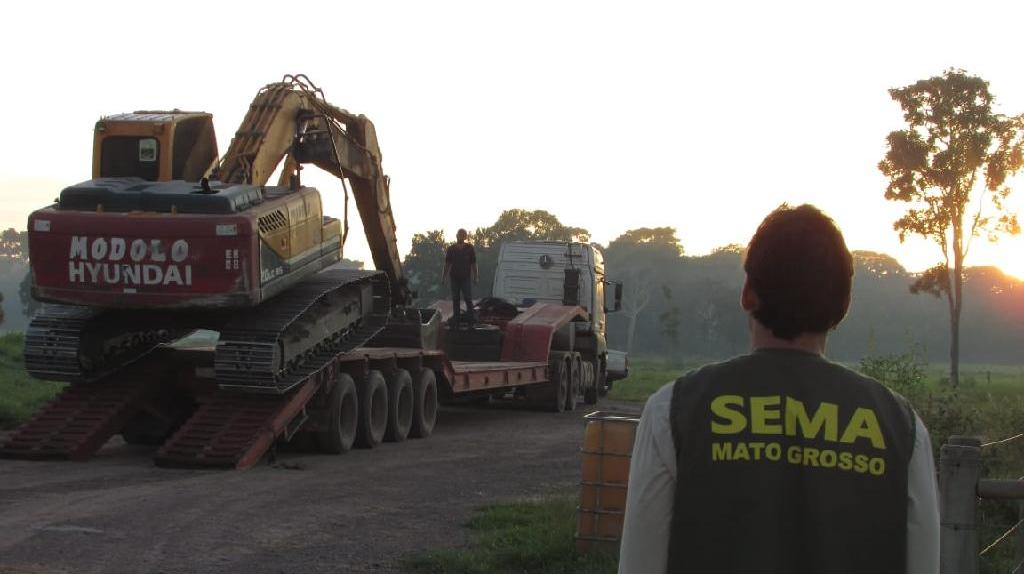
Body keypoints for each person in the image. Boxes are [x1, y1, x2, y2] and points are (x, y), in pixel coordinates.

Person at [618, 204, 940, 574]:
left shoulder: (672, 411)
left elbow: (639, 563)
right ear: (843, 306)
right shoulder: (902, 428)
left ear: (747, 294)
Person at [443, 228, 478, 324]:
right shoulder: (451, 249)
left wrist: (476, 276)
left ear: (465, 237)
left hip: (466, 277)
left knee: (468, 297)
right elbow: (447, 264)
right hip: (454, 277)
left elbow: (474, 263)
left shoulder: (469, 248)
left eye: (462, 235)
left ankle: (471, 317)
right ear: (456, 236)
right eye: (459, 235)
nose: (460, 237)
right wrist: (444, 277)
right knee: (455, 298)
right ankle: (456, 317)